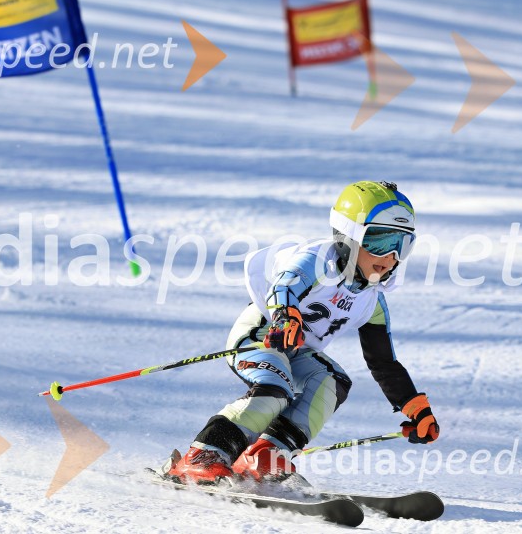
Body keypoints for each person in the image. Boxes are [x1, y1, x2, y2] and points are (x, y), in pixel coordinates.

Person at [164, 181, 440, 484]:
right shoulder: (319, 261)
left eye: (401, 244)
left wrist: (414, 406)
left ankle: (267, 454)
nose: (389, 256)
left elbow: (383, 362)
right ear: (347, 236)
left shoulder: (372, 301)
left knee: (331, 382)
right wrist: (285, 317)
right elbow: (285, 286)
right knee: (275, 386)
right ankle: (205, 455)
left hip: (295, 350)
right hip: (261, 335)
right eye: (378, 241)